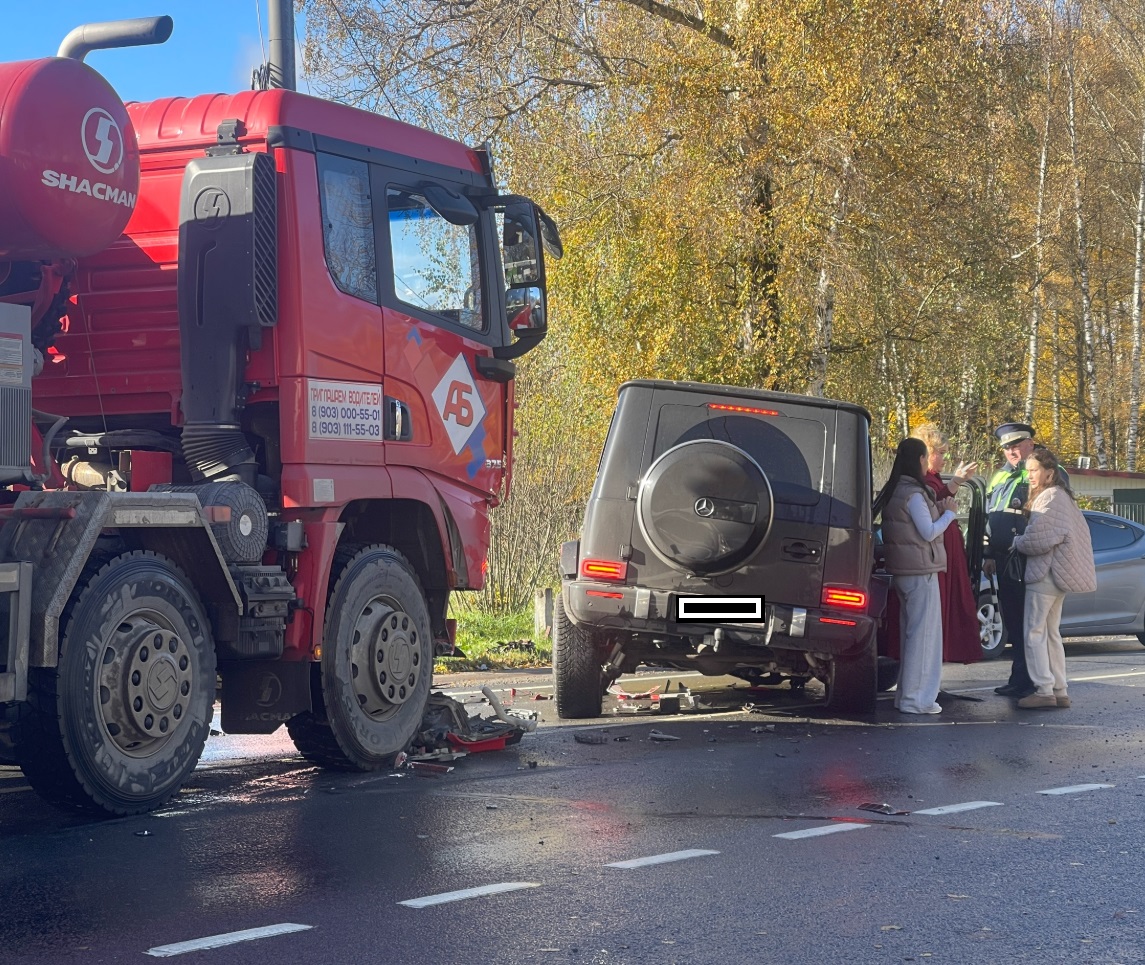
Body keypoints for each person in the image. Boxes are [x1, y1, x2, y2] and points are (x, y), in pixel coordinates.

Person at [874, 437, 958, 714]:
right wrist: (949, 516)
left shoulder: (894, 489)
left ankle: (907, 697)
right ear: (920, 459)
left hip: (902, 570)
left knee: (912, 635)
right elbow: (928, 531)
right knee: (924, 638)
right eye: (926, 457)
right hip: (921, 570)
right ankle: (917, 700)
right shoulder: (914, 493)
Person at [1010, 446, 1096, 709]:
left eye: (1034, 470)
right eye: (1028, 472)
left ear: (1049, 472)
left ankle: (1044, 690)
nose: (1030, 476)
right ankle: (1059, 690)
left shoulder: (1049, 498)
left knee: (1034, 632)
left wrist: (1017, 540)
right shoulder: (1065, 498)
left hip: (1045, 574)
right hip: (1058, 575)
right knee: (1051, 633)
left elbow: (1038, 541)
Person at [910, 423, 982, 663]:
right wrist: (956, 487)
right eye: (939, 453)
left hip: (943, 553)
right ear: (926, 453)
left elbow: (939, 499)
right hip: (936, 555)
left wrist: (957, 483)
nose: (943, 458)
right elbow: (934, 509)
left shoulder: (931, 479)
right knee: (936, 614)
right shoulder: (922, 481)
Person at [984, 422, 1038, 698]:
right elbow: (989, 518)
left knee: (1030, 624)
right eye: (1007, 447)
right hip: (1005, 561)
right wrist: (988, 554)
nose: (1012, 451)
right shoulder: (1000, 477)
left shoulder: (1044, 472)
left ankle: (1034, 680)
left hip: (1029, 559)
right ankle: (1020, 677)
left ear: (1030, 443)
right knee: (1014, 622)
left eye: (1016, 445)